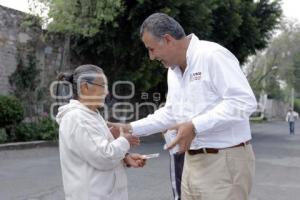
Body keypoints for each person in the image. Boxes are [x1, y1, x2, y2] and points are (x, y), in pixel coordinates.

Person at [109, 13, 257, 200]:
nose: (151, 57)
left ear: (168, 39)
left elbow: (244, 102)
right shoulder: (173, 71)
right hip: (191, 161)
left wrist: (195, 125)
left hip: (223, 161)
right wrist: (130, 128)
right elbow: (171, 114)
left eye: (152, 49)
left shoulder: (212, 55)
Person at [56, 64, 146, 200]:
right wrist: (124, 141)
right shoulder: (78, 118)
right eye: (103, 86)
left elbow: (96, 150)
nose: (107, 92)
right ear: (85, 87)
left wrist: (124, 157)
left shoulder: (92, 114)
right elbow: (104, 157)